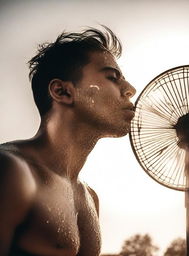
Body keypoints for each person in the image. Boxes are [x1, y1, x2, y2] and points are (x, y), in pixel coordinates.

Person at [0, 26, 136, 256]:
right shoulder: (11, 170)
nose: (130, 89)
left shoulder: (90, 198)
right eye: (112, 77)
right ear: (62, 92)